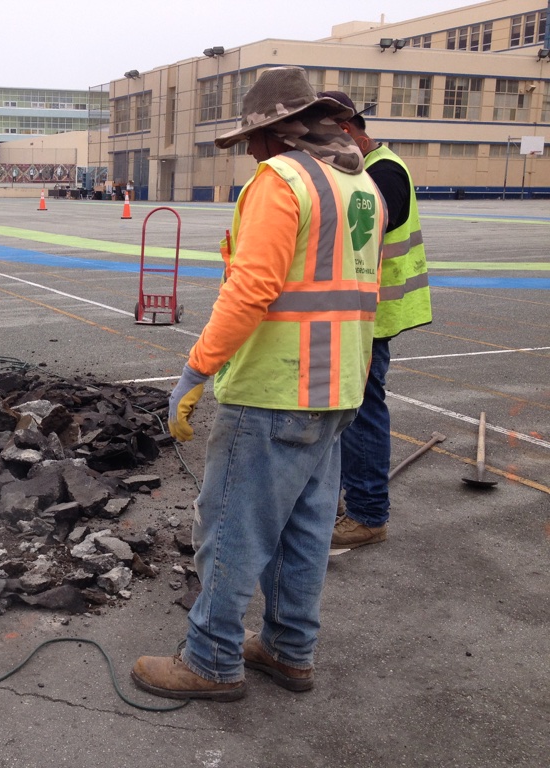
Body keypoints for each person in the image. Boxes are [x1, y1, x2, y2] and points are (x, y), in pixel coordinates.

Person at [131, 67, 386, 701]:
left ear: (277, 132)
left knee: (233, 528)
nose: (248, 150)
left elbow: (251, 289)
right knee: (305, 530)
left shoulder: (282, 182)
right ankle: (288, 648)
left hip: (275, 388)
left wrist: (197, 369)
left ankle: (211, 659)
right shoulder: (360, 186)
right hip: (339, 387)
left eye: (252, 138)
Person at [318, 91, 433, 549]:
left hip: (374, 314)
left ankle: (367, 514)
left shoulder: (383, 173)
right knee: (350, 411)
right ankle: (354, 499)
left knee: (362, 412)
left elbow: (354, 230)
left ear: (348, 133)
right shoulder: (368, 169)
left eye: (324, 143)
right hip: (358, 311)